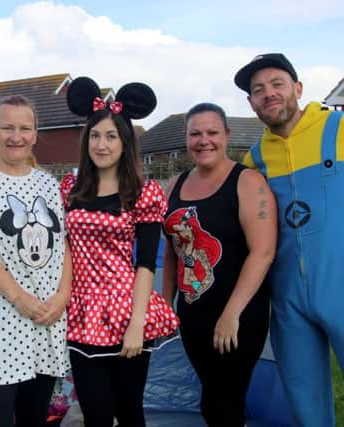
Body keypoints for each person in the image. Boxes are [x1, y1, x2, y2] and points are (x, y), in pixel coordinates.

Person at [62, 77, 179, 427]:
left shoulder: (142, 194)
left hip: (127, 309)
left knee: (129, 411)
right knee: (95, 415)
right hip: (82, 310)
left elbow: (145, 264)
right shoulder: (70, 188)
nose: (102, 144)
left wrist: (137, 324)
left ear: (125, 142)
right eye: (95, 136)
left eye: (111, 136)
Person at [235, 53, 344, 426]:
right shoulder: (253, 161)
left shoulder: (339, 127)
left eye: (277, 84)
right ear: (251, 104)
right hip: (289, 301)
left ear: (298, 88)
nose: (269, 94)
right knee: (306, 406)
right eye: (259, 90)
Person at [0, 94, 71, 427]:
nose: (16, 136)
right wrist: (21, 299)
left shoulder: (48, 184)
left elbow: (62, 246)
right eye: (7, 127)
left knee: (35, 418)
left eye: (24, 128)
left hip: (46, 319)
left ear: (35, 135)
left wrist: (61, 298)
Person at [162, 102, 277, 426]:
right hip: (192, 313)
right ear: (186, 138)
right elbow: (172, 249)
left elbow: (263, 252)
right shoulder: (176, 184)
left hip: (238, 316)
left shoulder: (247, 182)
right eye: (195, 134)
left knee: (223, 400)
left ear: (226, 135)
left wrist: (231, 314)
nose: (204, 140)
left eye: (212, 132)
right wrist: (166, 304)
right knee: (213, 396)